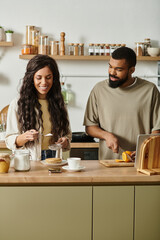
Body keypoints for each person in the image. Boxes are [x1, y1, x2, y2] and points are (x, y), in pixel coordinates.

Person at [83, 47, 160, 160]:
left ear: (131, 70)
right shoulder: (99, 90)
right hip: (108, 163)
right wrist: (106, 135)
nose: (112, 72)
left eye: (118, 69)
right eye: (110, 66)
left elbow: (157, 129)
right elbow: (90, 127)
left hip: (142, 162)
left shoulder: (150, 90)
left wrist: (145, 149)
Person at [5, 54, 71, 161]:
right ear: (31, 78)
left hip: (55, 159)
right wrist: (25, 137)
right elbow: (9, 140)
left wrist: (65, 141)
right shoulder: (17, 104)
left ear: (54, 78)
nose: (44, 82)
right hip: (29, 160)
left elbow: (67, 134)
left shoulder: (59, 103)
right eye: (39, 78)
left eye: (48, 77)